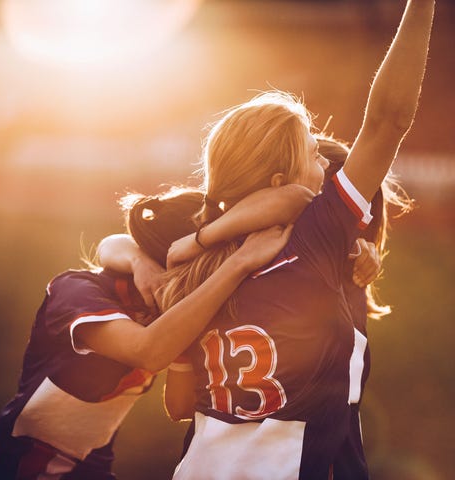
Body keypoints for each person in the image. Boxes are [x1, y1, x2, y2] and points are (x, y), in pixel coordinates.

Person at [157, 1, 434, 478]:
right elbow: (388, 120)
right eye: (313, 154)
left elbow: (180, 403)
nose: (327, 165)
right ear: (282, 179)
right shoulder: (312, 238)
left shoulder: (193, 259)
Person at [0, 189, 295, 480]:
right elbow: (148, 351)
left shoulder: (166, 312)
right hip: (21, 470)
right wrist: (237, 265)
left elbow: (181, 406)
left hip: (93, 470)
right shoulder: (77, 292)